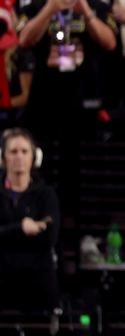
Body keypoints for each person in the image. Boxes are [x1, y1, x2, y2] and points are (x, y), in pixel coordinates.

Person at [15, 0, 118, 123]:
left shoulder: (96, 2)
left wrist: (86, 11)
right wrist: (48, 10)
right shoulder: (35, 3)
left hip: (85, 91)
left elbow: (110, 43)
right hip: (45, 91)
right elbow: (23, 41)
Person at [0, 127, 61, 314]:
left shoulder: (46, 195)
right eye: (13, 151)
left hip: (39, 288)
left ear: (35, 158)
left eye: (25, 151)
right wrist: (22, 228)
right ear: (3, 158)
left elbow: (48, 238)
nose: (19, 157)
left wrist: (6, 233)